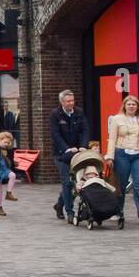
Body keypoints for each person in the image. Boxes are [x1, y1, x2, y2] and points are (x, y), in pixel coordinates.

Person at [105, 94, 139, 227]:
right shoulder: (117, 119)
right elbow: (112, 139)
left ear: (137, 106)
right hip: (122, 153)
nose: (131, 106)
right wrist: (110, 156)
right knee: (121, 185)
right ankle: (117, 212)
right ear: (124, 106)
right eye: (129, 104)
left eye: (134, 104)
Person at [49, 90, 89, 221]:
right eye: (68, 101)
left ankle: (59, 204)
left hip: (77, 153)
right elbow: (55, 135)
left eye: (72, 100)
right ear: (61, 102)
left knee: (77, 182)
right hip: (61, 154)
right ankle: (70, 213)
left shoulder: (79, 112)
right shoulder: (55, 114)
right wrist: (66, 149)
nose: (71, 103)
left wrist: (83, 145)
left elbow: (85, 130)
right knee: (67, 183)